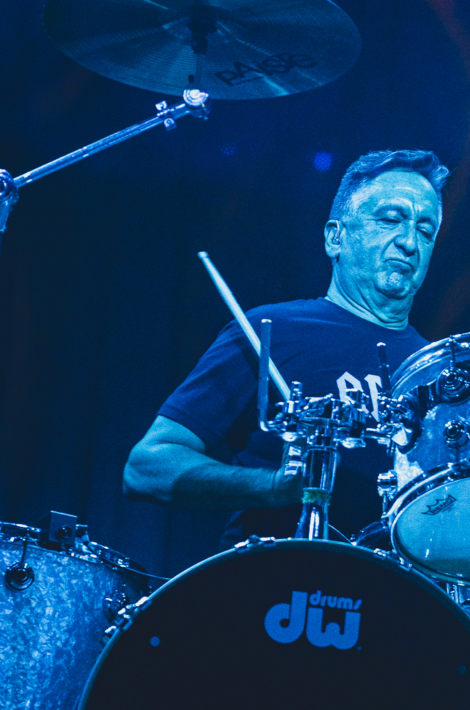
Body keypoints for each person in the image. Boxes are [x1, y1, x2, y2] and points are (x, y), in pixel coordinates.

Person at [122, 149, 447, 544]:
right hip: (277, 578)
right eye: (390, 220)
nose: (410, 242)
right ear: (336, 238)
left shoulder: (439, 371)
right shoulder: (271, 331)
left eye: (425, 230)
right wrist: (273, 487)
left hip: (398, 582)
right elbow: (146, 468)